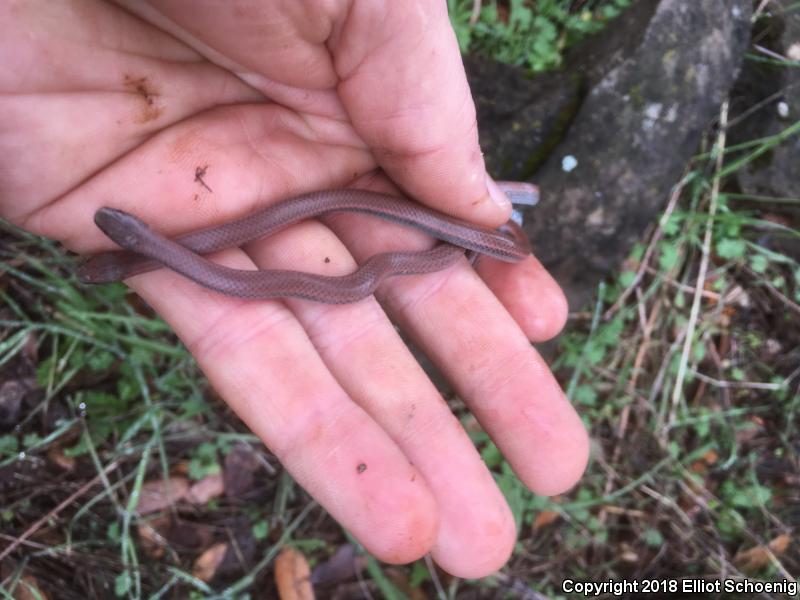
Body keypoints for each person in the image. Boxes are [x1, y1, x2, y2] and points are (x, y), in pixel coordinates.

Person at [1, 0, 589, 578]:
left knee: (400, 256)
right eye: (118, 252)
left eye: (115, 252)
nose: (105, 261)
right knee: (348, 267)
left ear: (132, 237)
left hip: (411, 212)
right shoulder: (147, 247)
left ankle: (484, 227)